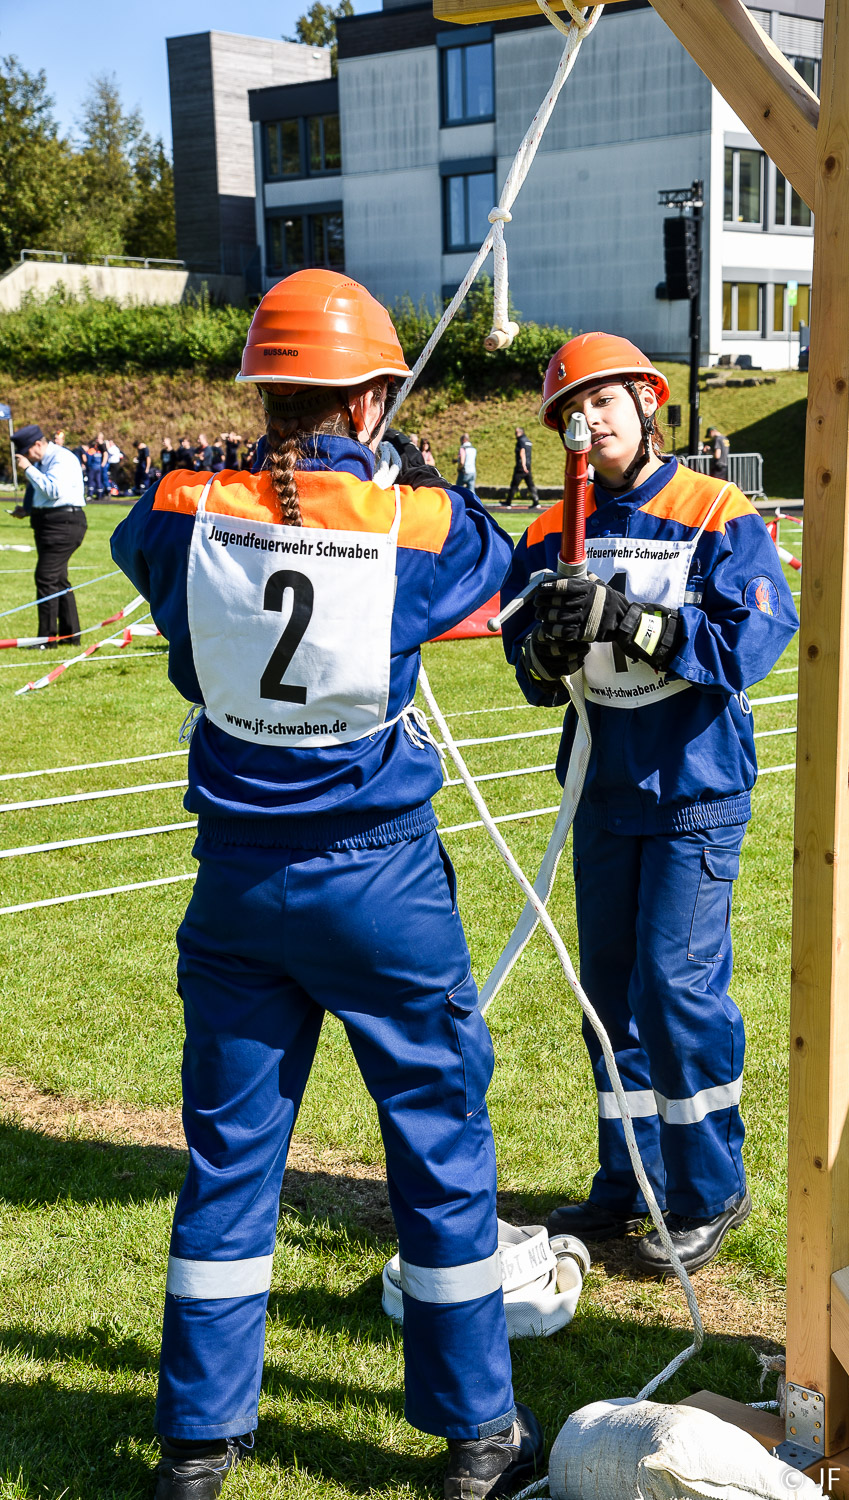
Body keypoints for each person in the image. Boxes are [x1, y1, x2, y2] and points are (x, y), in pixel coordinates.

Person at [110, 269, 542, 1500]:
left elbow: (151, 549)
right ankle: (476, 1442)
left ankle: (197, 1447)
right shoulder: (404, 514)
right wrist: (390, 468)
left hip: (235, 881)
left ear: (262, 387)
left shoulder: (182, 500)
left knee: (229, 1164)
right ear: (366, 395)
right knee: (439, 1150)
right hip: (379, 879)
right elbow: (488, 562)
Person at [501, 333, 798, 1274]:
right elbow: (527, 663)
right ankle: (627, 1180)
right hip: (602, 788)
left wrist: (631, 622)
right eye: (569, 412)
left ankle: (707, 1187)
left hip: (692, 788)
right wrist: (542, 658)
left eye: (601, 402)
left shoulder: (712, 508)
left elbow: (752, 639)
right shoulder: (553, 530)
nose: (587, 422)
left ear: (644, 399)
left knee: (674, 993)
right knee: (608, 1002)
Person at [10, 423, 87, 646]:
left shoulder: (61, 459)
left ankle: (46, 638)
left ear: (37, 444)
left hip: (63, 523)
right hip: (49, 522)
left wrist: (28, 468)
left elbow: (53, 490)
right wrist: (28, 509)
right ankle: (70, 635)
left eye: (26, 453)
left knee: (45, 577)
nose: (26, 458)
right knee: (58, 579)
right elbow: (43, 493)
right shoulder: (42, 461)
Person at [502, 427, 539, 508]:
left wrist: (523, 465)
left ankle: (508, 502)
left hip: (521, 466)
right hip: (528, 466)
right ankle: (536, 501)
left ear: (520, 432)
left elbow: (522, 452)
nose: (515, 434)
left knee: (514, 484)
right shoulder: (528, 441)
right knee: (530, 485)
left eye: (516, 432)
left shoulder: (521, 441)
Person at [457, 431, 479, 497]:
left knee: (458, 489)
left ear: (463, 440)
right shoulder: (473, 449)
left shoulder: (463, 448)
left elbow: (462, 461)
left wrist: (459, 468)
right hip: (473, 471)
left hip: (465, 472)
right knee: (472, 491)